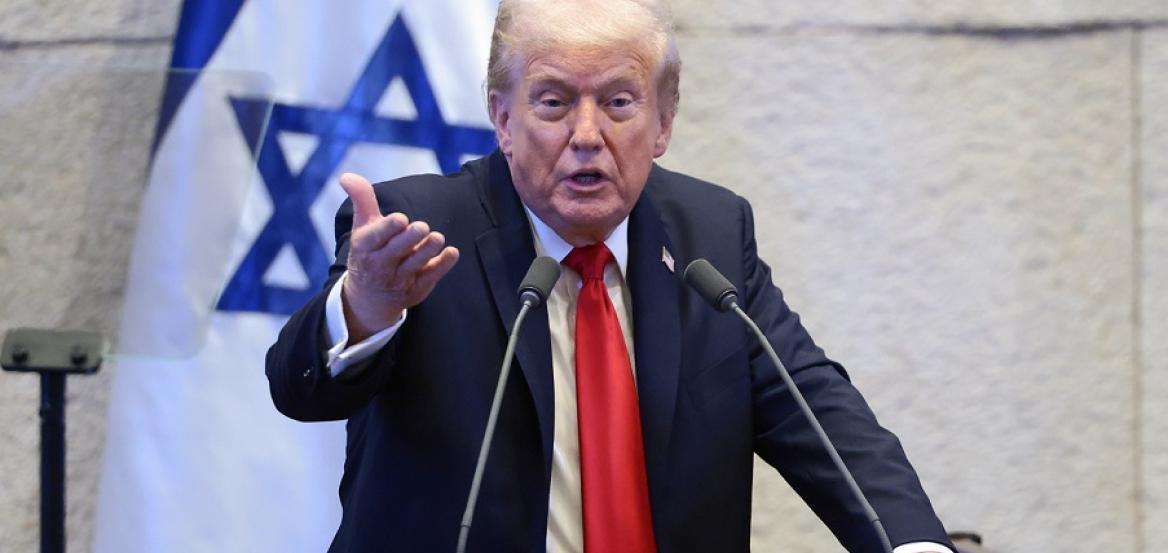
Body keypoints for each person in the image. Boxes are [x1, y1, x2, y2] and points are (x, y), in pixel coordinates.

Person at [266, 1, 955, 552]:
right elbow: (300, 389)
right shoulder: (420, 231)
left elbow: (816, 409)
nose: (588, 135)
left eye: (620, 102)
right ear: (502, 118)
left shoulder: (710, 234)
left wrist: (913, 544)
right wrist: (365, 306)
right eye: (553, 102)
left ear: (663, 123)